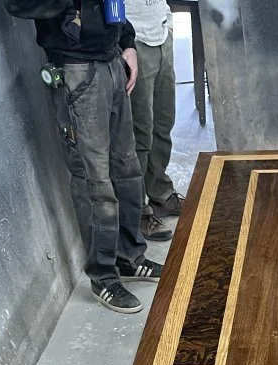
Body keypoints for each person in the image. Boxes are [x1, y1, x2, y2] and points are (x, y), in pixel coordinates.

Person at [20, 1, 166, 314]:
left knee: (127, 170)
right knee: (93, 179)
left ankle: (129, 257)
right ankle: (103, 276)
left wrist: (127, 43)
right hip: (75, 69)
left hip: (112, 60)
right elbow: (19, 5)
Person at [124, 0, 184, 243]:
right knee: (140, 133)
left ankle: (160, 193)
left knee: (163, 122)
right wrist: (125, 43)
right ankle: (139, 211)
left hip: (160, 32)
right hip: (134, 40)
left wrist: (168, 24)